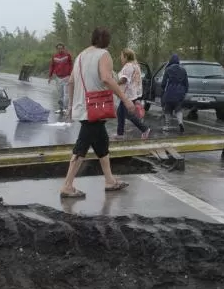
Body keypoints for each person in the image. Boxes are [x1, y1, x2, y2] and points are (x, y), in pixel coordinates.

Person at [59, 27, 139, 199]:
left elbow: (71, 82)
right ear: (106, 41)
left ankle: (110, 181)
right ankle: (67, 185)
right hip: (94, 108)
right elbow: (106, 78)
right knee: (82, 146)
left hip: (83, 107)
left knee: (102, 142)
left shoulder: (81, 56)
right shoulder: (103, 54)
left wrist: (71, 105)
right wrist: (125, 99)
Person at [115, 48, 151, 140]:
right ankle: (120, 133)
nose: (121, 58)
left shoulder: (128, 66)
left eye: (122, 56)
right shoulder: (136, 65)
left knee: (128, 114)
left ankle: (145, 129)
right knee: (120, 112)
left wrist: (114, 83)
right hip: (133, 93)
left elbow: (124, 79)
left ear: (126, 56)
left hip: (127, 95)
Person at [160, 54, 188, 133]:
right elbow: (186, 83)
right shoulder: (183, 70)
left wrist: (163, 91)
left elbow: (163, 83)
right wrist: (185, 92)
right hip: (180, 93)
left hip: (170, 92)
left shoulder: (168, 69)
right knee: (178, 108)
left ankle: (167, 126)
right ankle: (180, 123)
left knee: (168, 109)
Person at [48, 43, 73, 114]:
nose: (60, 50)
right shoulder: (54, 56)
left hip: (66, 77)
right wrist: (50, 76)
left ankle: (66, 108)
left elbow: (71, 64)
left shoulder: (68, 55)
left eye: (61, 48)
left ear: (64, 48)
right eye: (58, 48)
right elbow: (52, 66)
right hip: (58, 78)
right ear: (57, 49)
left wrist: (71, 74)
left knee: (66, 94)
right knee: (60, 95)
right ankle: (61, 108)